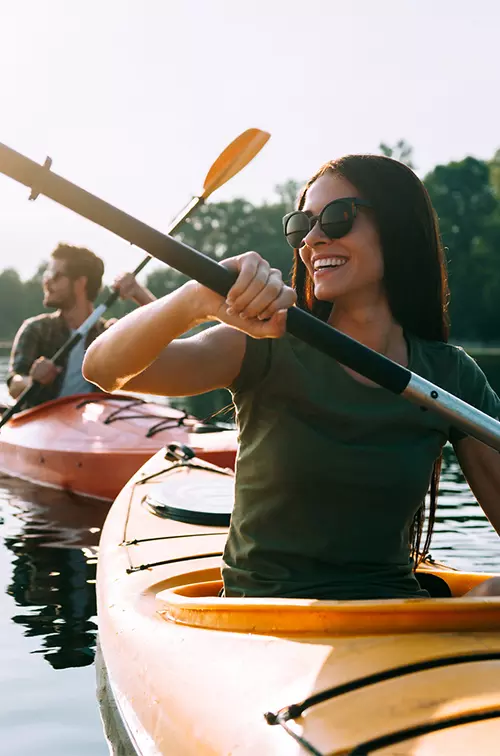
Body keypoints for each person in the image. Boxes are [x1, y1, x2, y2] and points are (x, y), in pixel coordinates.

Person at [83, 155, 500, 600]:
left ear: (398, 227)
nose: (313, 240)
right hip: (261, 622)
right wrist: (194, 300)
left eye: (338, 218)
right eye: (302, 225)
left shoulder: (450, 376)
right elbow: (103, 369)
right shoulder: (263, 342)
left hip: (396, 620)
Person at [7, 244, 153, 408]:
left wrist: (138, 293)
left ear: (80, 282)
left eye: (55, 275)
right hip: (42, 424)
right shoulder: (35, 329)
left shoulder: (109, 334)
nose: (46, 282)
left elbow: (163, 333)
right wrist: (32, 380)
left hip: (92, 427)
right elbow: (14, 385)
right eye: (46, 275)